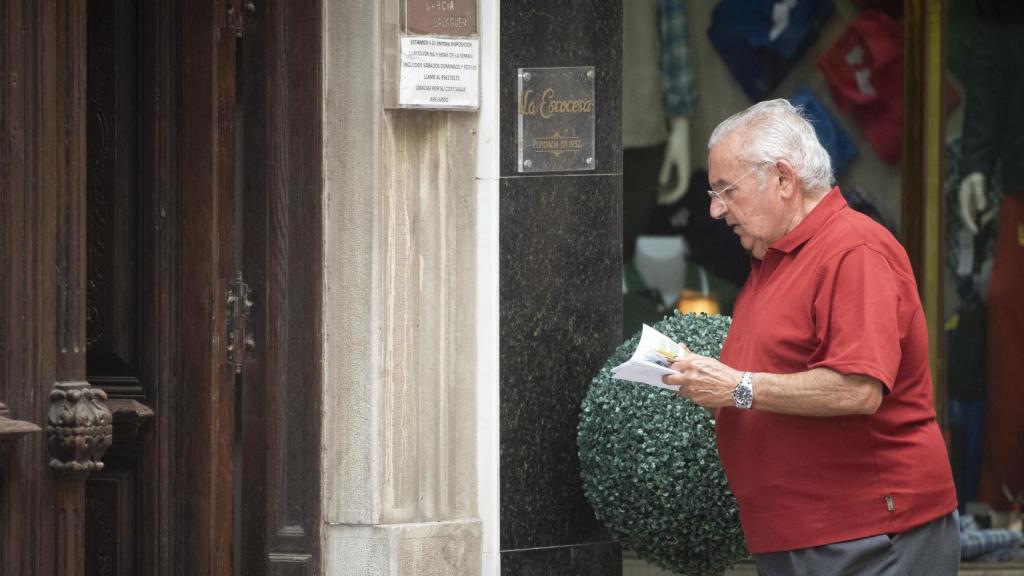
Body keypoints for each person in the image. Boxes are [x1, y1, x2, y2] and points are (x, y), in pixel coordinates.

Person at [663, 100, 960, 574]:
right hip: (806, 533)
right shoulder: (773, 257)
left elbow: (857, 388)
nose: (716, 210)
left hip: (866, 534)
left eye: (726, 190)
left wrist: (736, 386)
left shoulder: (853, 249)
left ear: (783, 179)